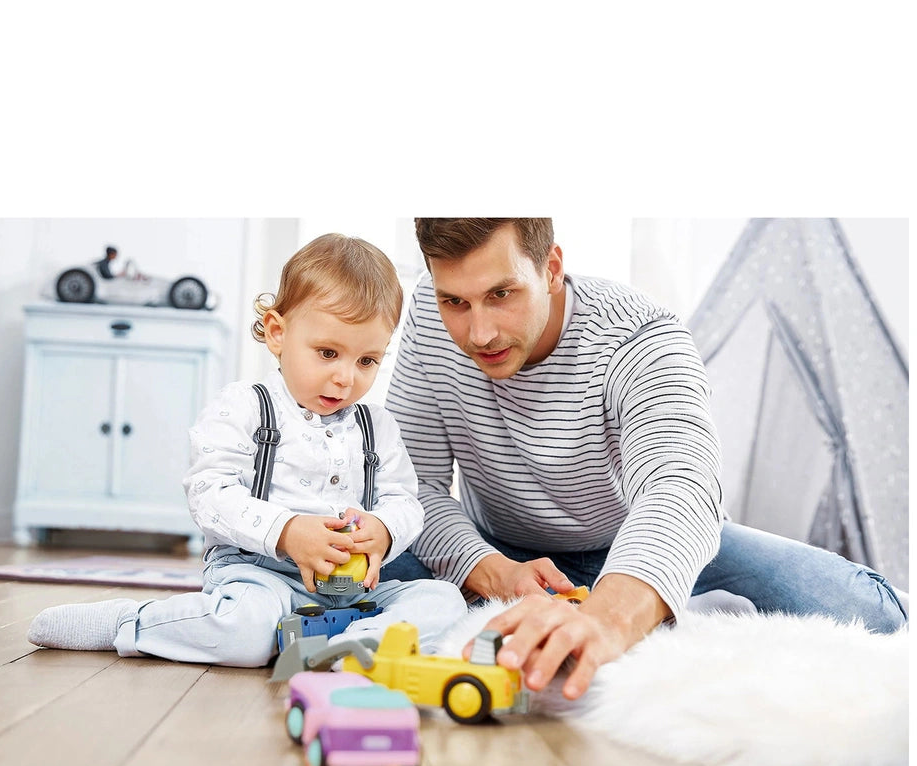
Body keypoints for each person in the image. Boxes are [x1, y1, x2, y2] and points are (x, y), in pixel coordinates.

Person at [382, 218, 908, 701]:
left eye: (502, 294)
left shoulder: (639, 333)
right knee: (373, 559)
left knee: (862, 612)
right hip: (505, 545)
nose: (480, 334)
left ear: (552, 269)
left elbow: (681, 485)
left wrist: (609, 616)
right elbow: (414, 486)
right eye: (456, 302)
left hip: (632, 537)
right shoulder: (429, 312)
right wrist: (492, 572)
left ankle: (654, 601)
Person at [28, 234, 467, 666]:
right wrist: (287, 530)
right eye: (328, 352)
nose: (346, 378)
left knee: (444, 600)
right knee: (245, 630)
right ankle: (130, 624)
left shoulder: (378, 426)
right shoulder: (244, 407)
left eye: (367, 361)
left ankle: (352, 646)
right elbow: (208, 491)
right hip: (260, 578)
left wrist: (385, 529)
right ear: (277, 333)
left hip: (358, 591)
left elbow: (405, 501)